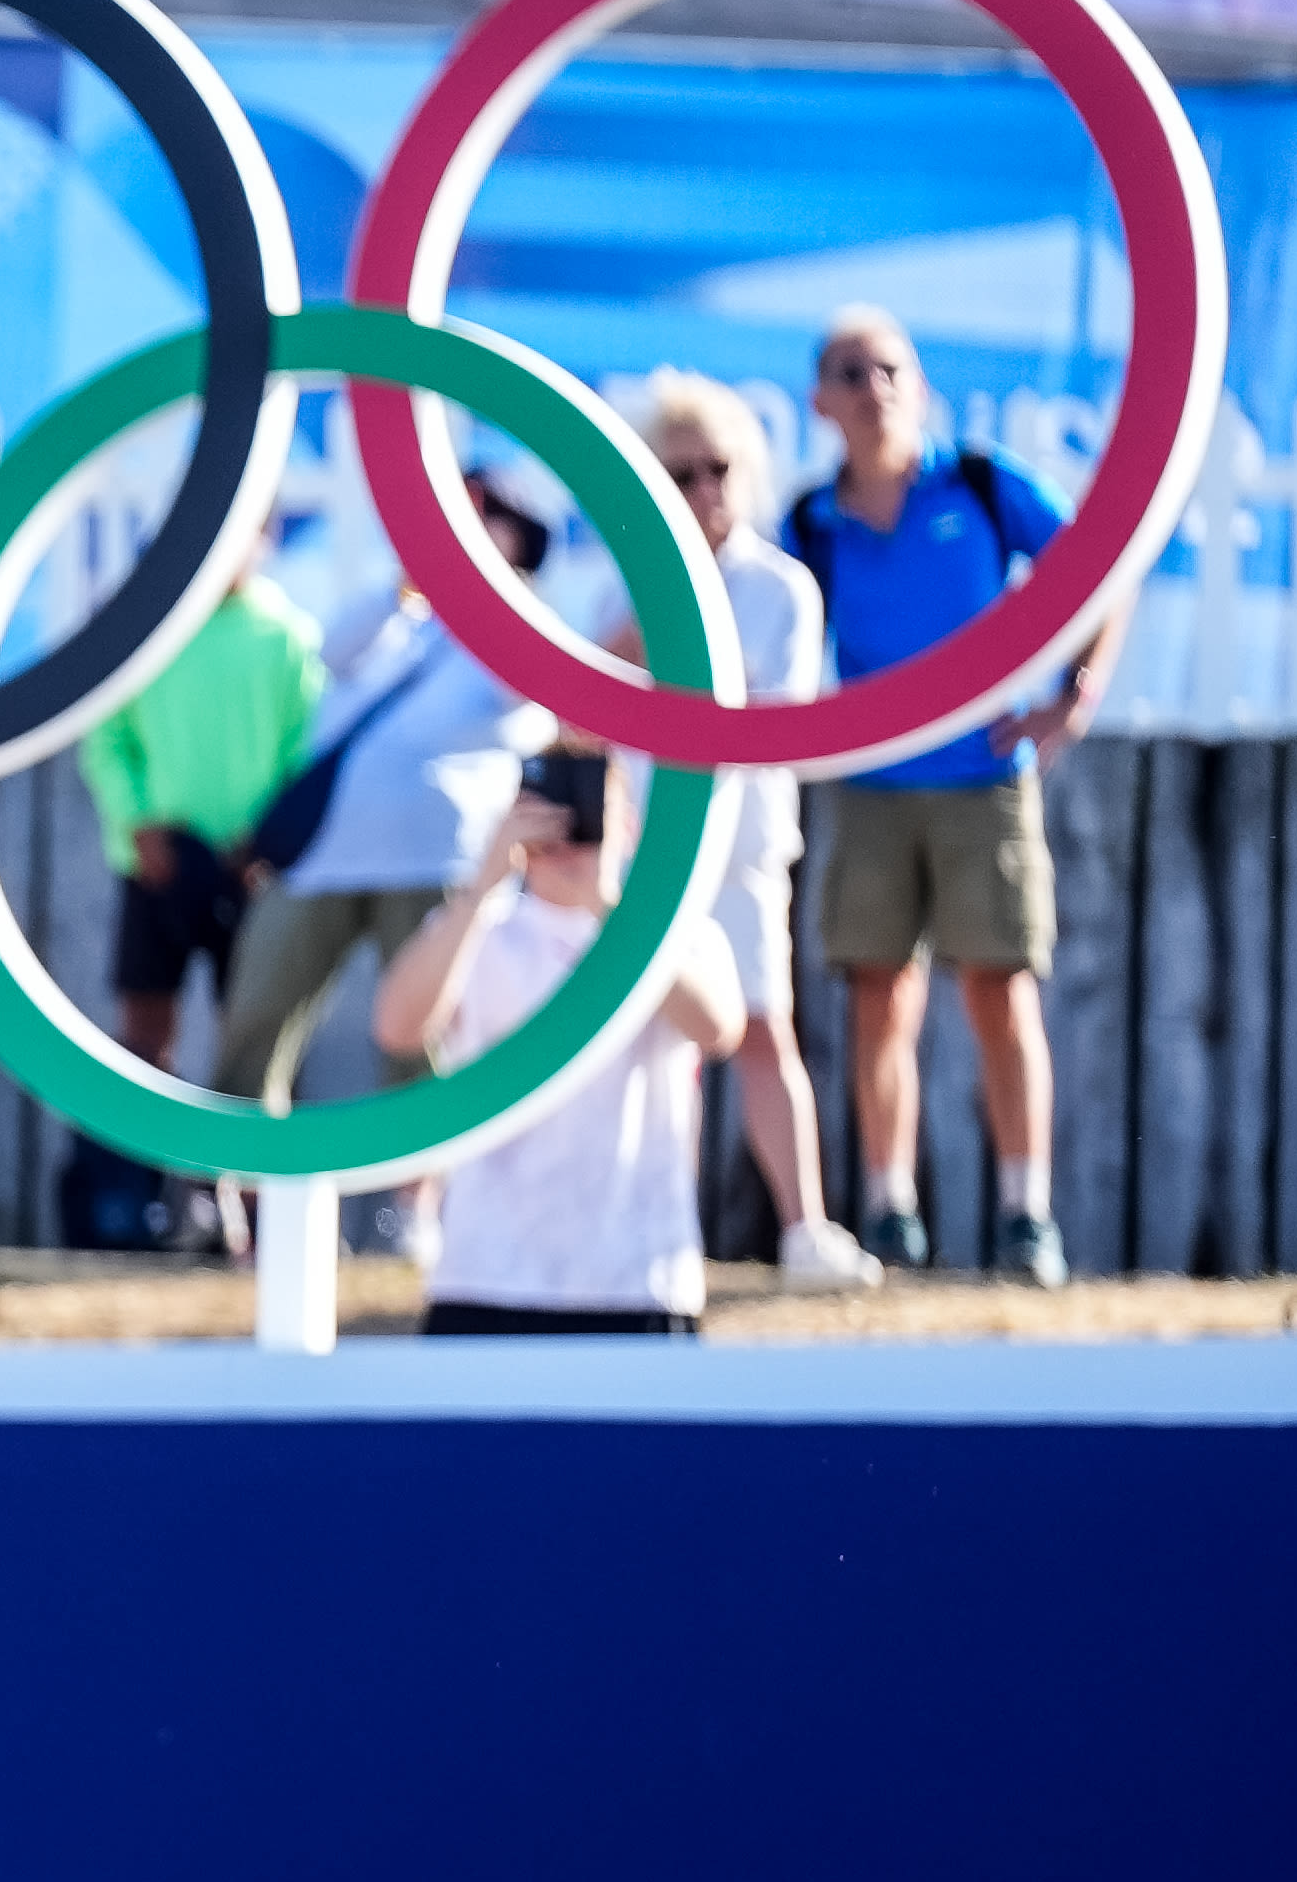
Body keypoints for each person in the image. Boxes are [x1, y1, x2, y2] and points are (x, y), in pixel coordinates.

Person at [794, 308, 1115, 1289]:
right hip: (870, 784)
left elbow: (1098, 566)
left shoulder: (977, 484)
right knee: (875, 998)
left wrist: (1074, 695)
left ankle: (1026, 1215)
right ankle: (888, 1212)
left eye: (886, 367)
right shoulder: (810, 520)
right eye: (847, 370)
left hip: (983, 784)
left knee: (997, 988)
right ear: (819, 399)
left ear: (918, 384)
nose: (869, 386)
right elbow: (760, 625)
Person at [626, 370, 881, 1293]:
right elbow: (583, 695)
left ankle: (803, 1229)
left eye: (718, 468)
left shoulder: (781, 586)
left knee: (768, 1033)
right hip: (642, 851)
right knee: (657, 1045)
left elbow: (761, 712)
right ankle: (659, 1231)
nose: (702, 490)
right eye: (679, 471)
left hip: (738, 846)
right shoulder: (624, 576)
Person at [212, 477, 556, 1113]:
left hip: (439, 868)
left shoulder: (525, 632)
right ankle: (233, 1198)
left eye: (483, 514)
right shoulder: (407, 618)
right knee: (254, 1020)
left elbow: (527, 695)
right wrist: (408, 584)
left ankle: (421, 1209)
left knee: (424, 1049)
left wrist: (482, 585)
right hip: (326, 857)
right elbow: (333, 657)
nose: (462, 527)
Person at [374, 751, 745, 1333]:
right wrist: (481, 885)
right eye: (550, 812)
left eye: (590, 813)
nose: (568, 833)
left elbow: (718, 1029)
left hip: (638, 1278)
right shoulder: (481, 933)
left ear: (628, 826)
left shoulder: (679, 933)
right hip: (486, 1275)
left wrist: (610, 907)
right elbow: (397, 1027)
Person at [64, 536, 325, 1246]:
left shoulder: (286, 638)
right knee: (147, 1035)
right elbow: (106, 737)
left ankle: (257, 1211)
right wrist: (139, 822)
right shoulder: (151, 630)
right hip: (157, 869)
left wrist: (265, 843)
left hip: (250, 875)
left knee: (258, 1038)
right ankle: (143, 1204)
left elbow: (306, 750)